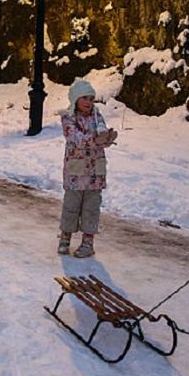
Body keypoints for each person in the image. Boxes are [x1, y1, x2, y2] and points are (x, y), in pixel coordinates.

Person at [57, 79, 117, 258]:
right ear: (75, 99)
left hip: (94, 174)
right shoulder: (68, 117)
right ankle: (65, 238)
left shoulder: (97, 116)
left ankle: (88, 242)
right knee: (71, 206)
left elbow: (101, 132)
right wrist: (94, 140)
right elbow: (74, 137)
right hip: (75, 173)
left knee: (91, 208)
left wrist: (106, 138)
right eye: (84, 98)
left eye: (91, 99)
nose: (88, 102)